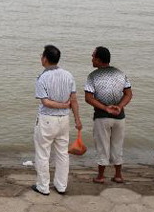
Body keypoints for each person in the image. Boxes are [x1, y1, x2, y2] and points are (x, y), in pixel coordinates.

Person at [32, 45, 82, 196]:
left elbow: (45, 102)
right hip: (64, 120)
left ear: (45, 59)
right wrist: (77, 119)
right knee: (62, 153)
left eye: (42, 55)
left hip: (47, 120)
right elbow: (74, 100)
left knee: (42, 154)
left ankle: (43, 187)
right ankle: (61, 186)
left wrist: (62, 105)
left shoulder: (42, 78)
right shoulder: (68, 75)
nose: (41, 58)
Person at [84, 46, 133, 184]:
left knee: (102, 146)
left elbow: (88, 98)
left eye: (93, 56)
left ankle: (100, 177)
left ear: (99, 60)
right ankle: (118, 175)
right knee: (118, 145)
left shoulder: (93, 76)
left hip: (102, 117)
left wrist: (105, 108)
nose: (92, 58)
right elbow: (129, 94)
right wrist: (119, 106)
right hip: (119, 116)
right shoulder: (120, 73)